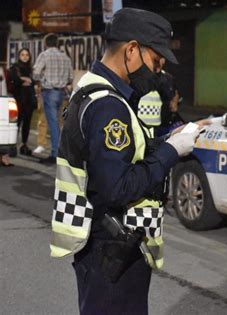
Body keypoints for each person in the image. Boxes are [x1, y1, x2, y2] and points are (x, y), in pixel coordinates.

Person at [49, 8, 202, 314]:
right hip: (113, 248)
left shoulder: (92, 89)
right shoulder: (108, 107)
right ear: (132, 49)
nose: (158, 72)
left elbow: (118, 156)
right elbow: (118, 187)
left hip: (100, 244)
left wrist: (167, 140)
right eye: (156, 61)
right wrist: (172, 151)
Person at [33, 33, 73, 164]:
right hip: (61, 93)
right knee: (59, 123)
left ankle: (55, 153)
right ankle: (62, 151)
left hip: (49, 91)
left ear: (45, 43)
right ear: (57, 43)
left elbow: (36, 73)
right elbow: (70, 78)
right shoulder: (65, 57)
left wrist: (43, 79)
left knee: (53, 123)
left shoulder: (44, 55)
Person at [10, 48, 37, 156]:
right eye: (22, 55)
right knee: (16, 123)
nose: (25, 57)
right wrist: (26, 80)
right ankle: (12, 146)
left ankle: (24, 145)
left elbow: (34, 80)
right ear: (19, 56)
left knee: (27, 123)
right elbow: (15, 80)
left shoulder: (31, 69)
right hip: (19, 99)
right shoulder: (15, 67)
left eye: (27, 55)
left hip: (29, 99)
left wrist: (26, 80)